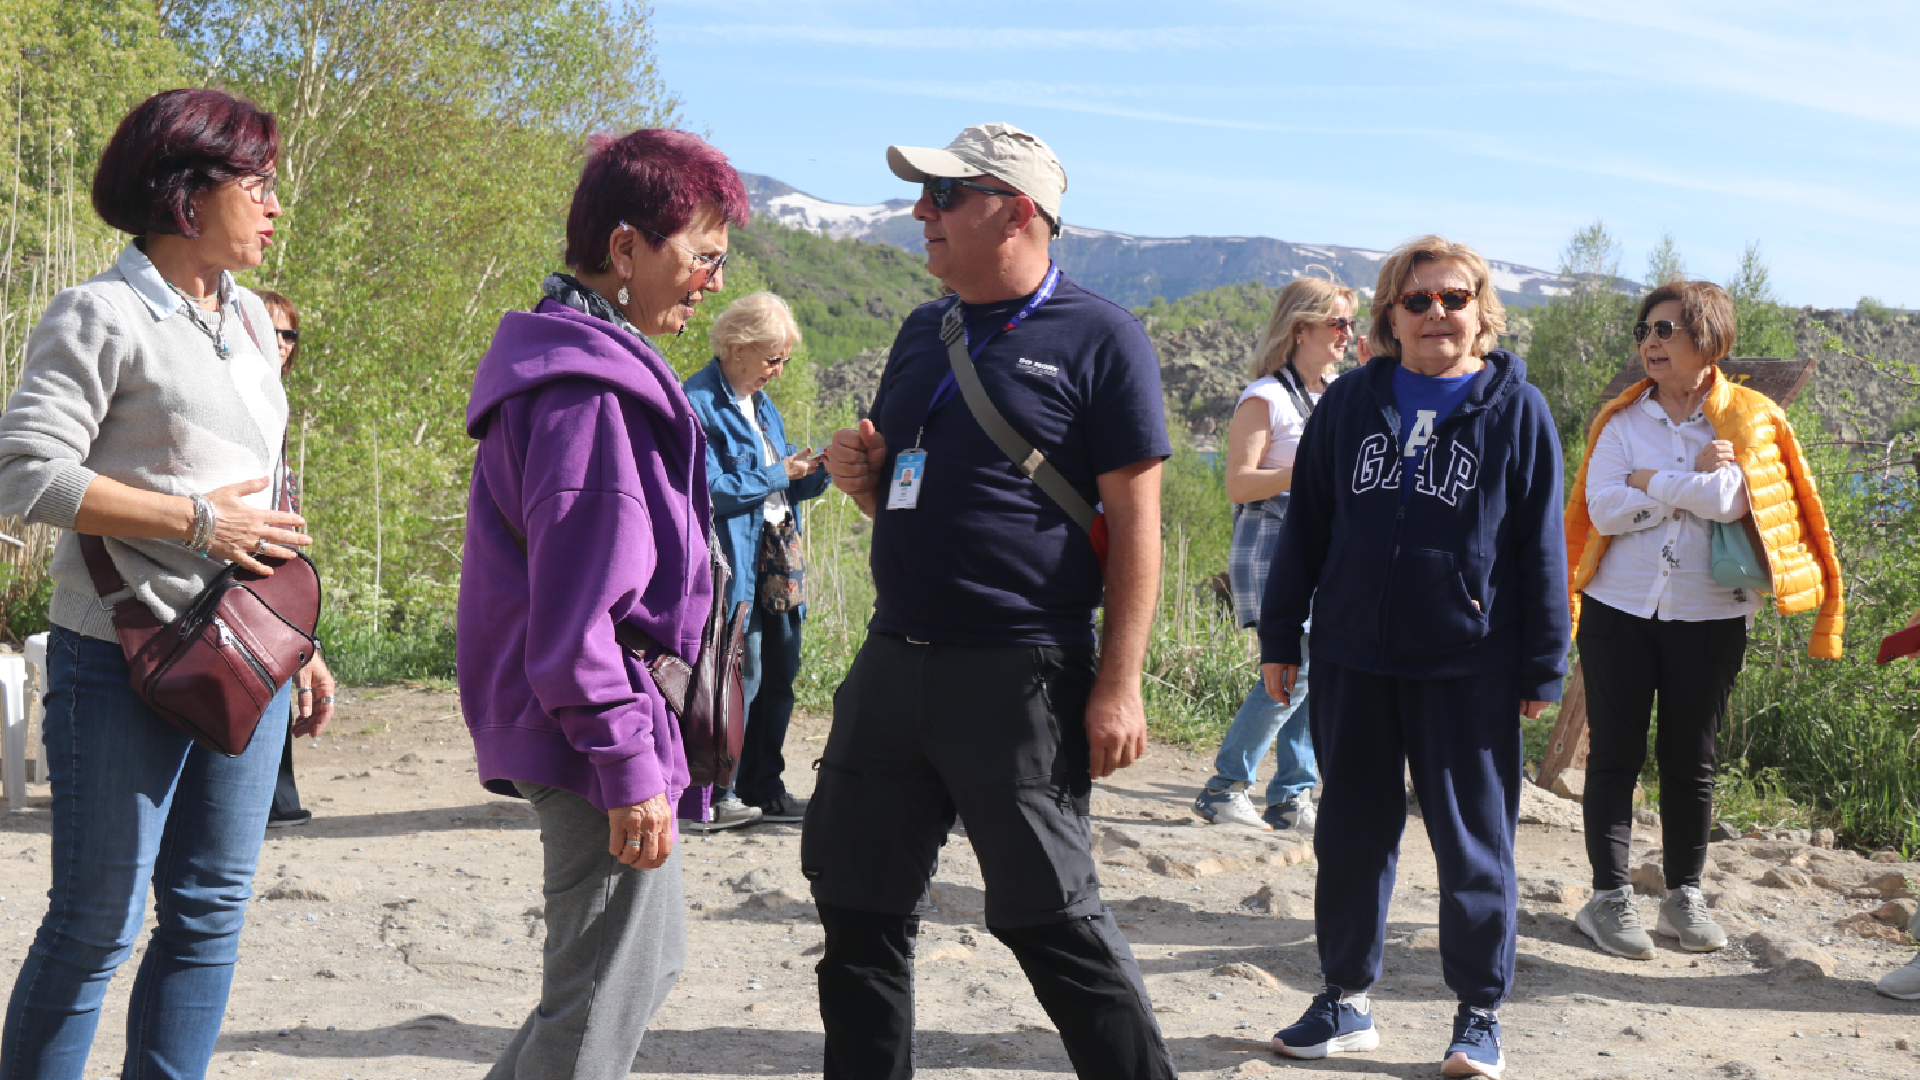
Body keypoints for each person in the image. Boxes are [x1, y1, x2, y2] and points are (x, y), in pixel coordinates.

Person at [809, 122, 1178, 1079]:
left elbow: (1140, 528)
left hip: (1022, 672)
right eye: (923, 197)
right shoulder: (919, 331)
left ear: (1017, 212)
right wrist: (858, 470)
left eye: (944, 197)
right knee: (856, 912)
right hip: (894, 661)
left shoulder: (1104, 338)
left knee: (1051, 922)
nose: (920, 213)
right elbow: (897, 478)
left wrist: (1121, 684)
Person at [0, 87, 338, 1080]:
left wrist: (297, 642)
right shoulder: (99, 313)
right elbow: (25, 475)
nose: (275, 206)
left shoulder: (243, 320)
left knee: (210, 913)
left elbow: (264, 491)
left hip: (247, 655)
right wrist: (197, 520)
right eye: (259, 185)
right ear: (187, 195)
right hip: (119, 655)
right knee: (97, 922)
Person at [456, 128, 745, 1080]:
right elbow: (580, 616)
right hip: (593, 729)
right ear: (626, 250)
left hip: (596, 720)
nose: (711, 282)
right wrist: (627, 762)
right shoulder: (591, 399)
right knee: (596, 1004)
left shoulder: (580, 369)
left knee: (635, 967)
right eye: (701, 256)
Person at [1256, 235, 1569, 1078]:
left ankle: (1478, 1015)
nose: (1438, 314)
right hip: (1354, 653)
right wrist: (1280, 634)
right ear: (1391, 314)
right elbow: (1308, 527)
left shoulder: (1516, 409)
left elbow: (1543, 547)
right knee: (1351, 837)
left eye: (1455, 298)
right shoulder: (1352, 402)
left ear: (1482, 312)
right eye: (1419, 300)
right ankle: (1345, 1001)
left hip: (1468, 661)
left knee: (1475, 844)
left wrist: (1545, 663)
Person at [1563, 279, 1844, 962]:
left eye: (1666, 330)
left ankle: (1682, 895)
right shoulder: (1621, 420)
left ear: (1707, 338)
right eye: (1644, 331)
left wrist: (1647, 482)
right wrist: (1682, 480)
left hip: (1712, 614)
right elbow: (1602, 511)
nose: (1650, 343)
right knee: (1614, 756)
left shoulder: (1749, 418)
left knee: (1692, 761)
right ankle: (1607, 897)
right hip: (1619, 609)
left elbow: (1727, 503)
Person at [1191, 276, 1355, 832]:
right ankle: (1226, 787)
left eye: (1350, 324)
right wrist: (1308, 472)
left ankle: (1290, 796)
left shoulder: (1334, 393)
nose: (1346, 334)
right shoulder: (1265, 397)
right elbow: (1239, 484)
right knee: (1291, 675)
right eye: (1337, 323)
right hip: (1273, 556)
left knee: (1315, 675)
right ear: (1300, 327)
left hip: (1322, 559)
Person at [683, 291, 830, 827]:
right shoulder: (697, 401)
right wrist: (777, 474)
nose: (779, 369)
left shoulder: (761, 403)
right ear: (737, 348)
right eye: (773, 358)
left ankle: (764, 788)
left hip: (778, 560)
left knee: (780, 673)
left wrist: (818, 468)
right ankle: (717, 795)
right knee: (737, 679)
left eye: (784, 359)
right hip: (733, 565)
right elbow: (709, 491)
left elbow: (782, 493)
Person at [258, 288, 312, 829]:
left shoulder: (276, 402)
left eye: (289, 333)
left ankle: (278, 797)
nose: (281, 343)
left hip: (282, 557)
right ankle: (270, 798)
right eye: (271, 330)